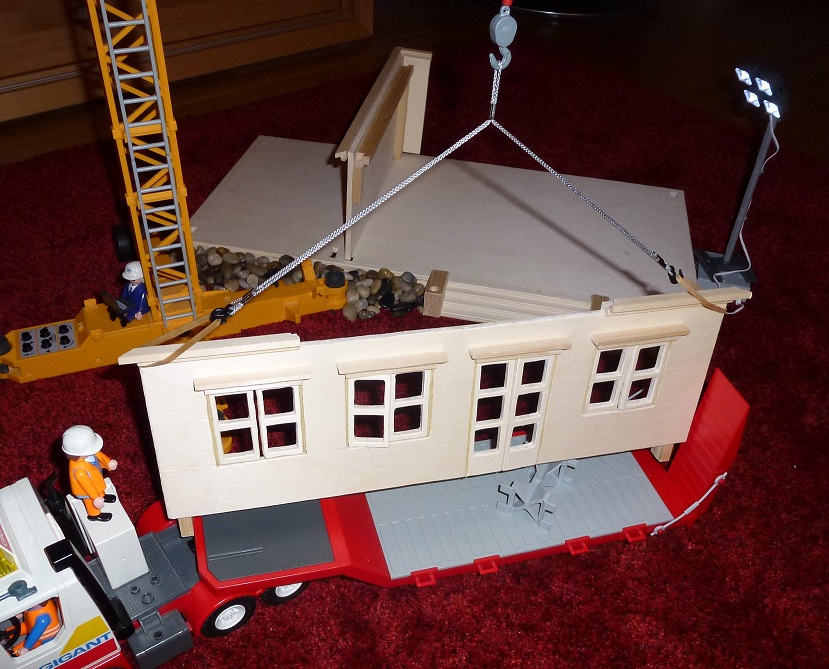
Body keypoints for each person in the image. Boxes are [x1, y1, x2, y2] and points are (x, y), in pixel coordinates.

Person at [62, 425, 118, 522]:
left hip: (96, 479)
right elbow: (87, 486)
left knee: (99, 487)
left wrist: (108, 463)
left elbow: (99, 455)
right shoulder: (79, 471)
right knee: (90, 502)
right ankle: (94, 514)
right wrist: (95, 497)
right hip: (86, 491)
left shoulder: (89, 453)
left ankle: (102, 495)